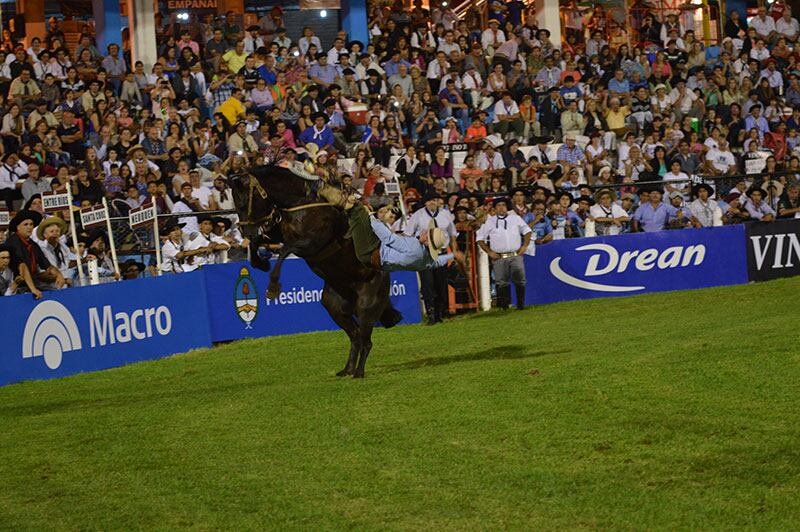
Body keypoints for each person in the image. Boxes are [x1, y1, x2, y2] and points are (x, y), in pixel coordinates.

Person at [476, 196, 532, 310]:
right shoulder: (490, 221)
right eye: (498, 206)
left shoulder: (515, 218)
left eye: (503, 205)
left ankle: (521, 304)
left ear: (507, 207)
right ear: (495, 209)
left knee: (520, 280)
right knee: (501, 282)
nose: (501, 208)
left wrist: (525, 245)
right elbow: (480, 238)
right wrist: (489, 252)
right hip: (499, 257)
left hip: (515, 254)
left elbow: (527, 231)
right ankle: (505, 306)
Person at [4, 210, 65, 298]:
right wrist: (33, 289)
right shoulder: (13, 242)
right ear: (18, 227)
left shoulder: (33, 244)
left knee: (56, 292)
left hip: (33, 281)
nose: (29, 227)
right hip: (16, 284)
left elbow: (47, 265)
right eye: (26, 224)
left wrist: (59, 274)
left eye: (31, 224)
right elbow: (22, 266)